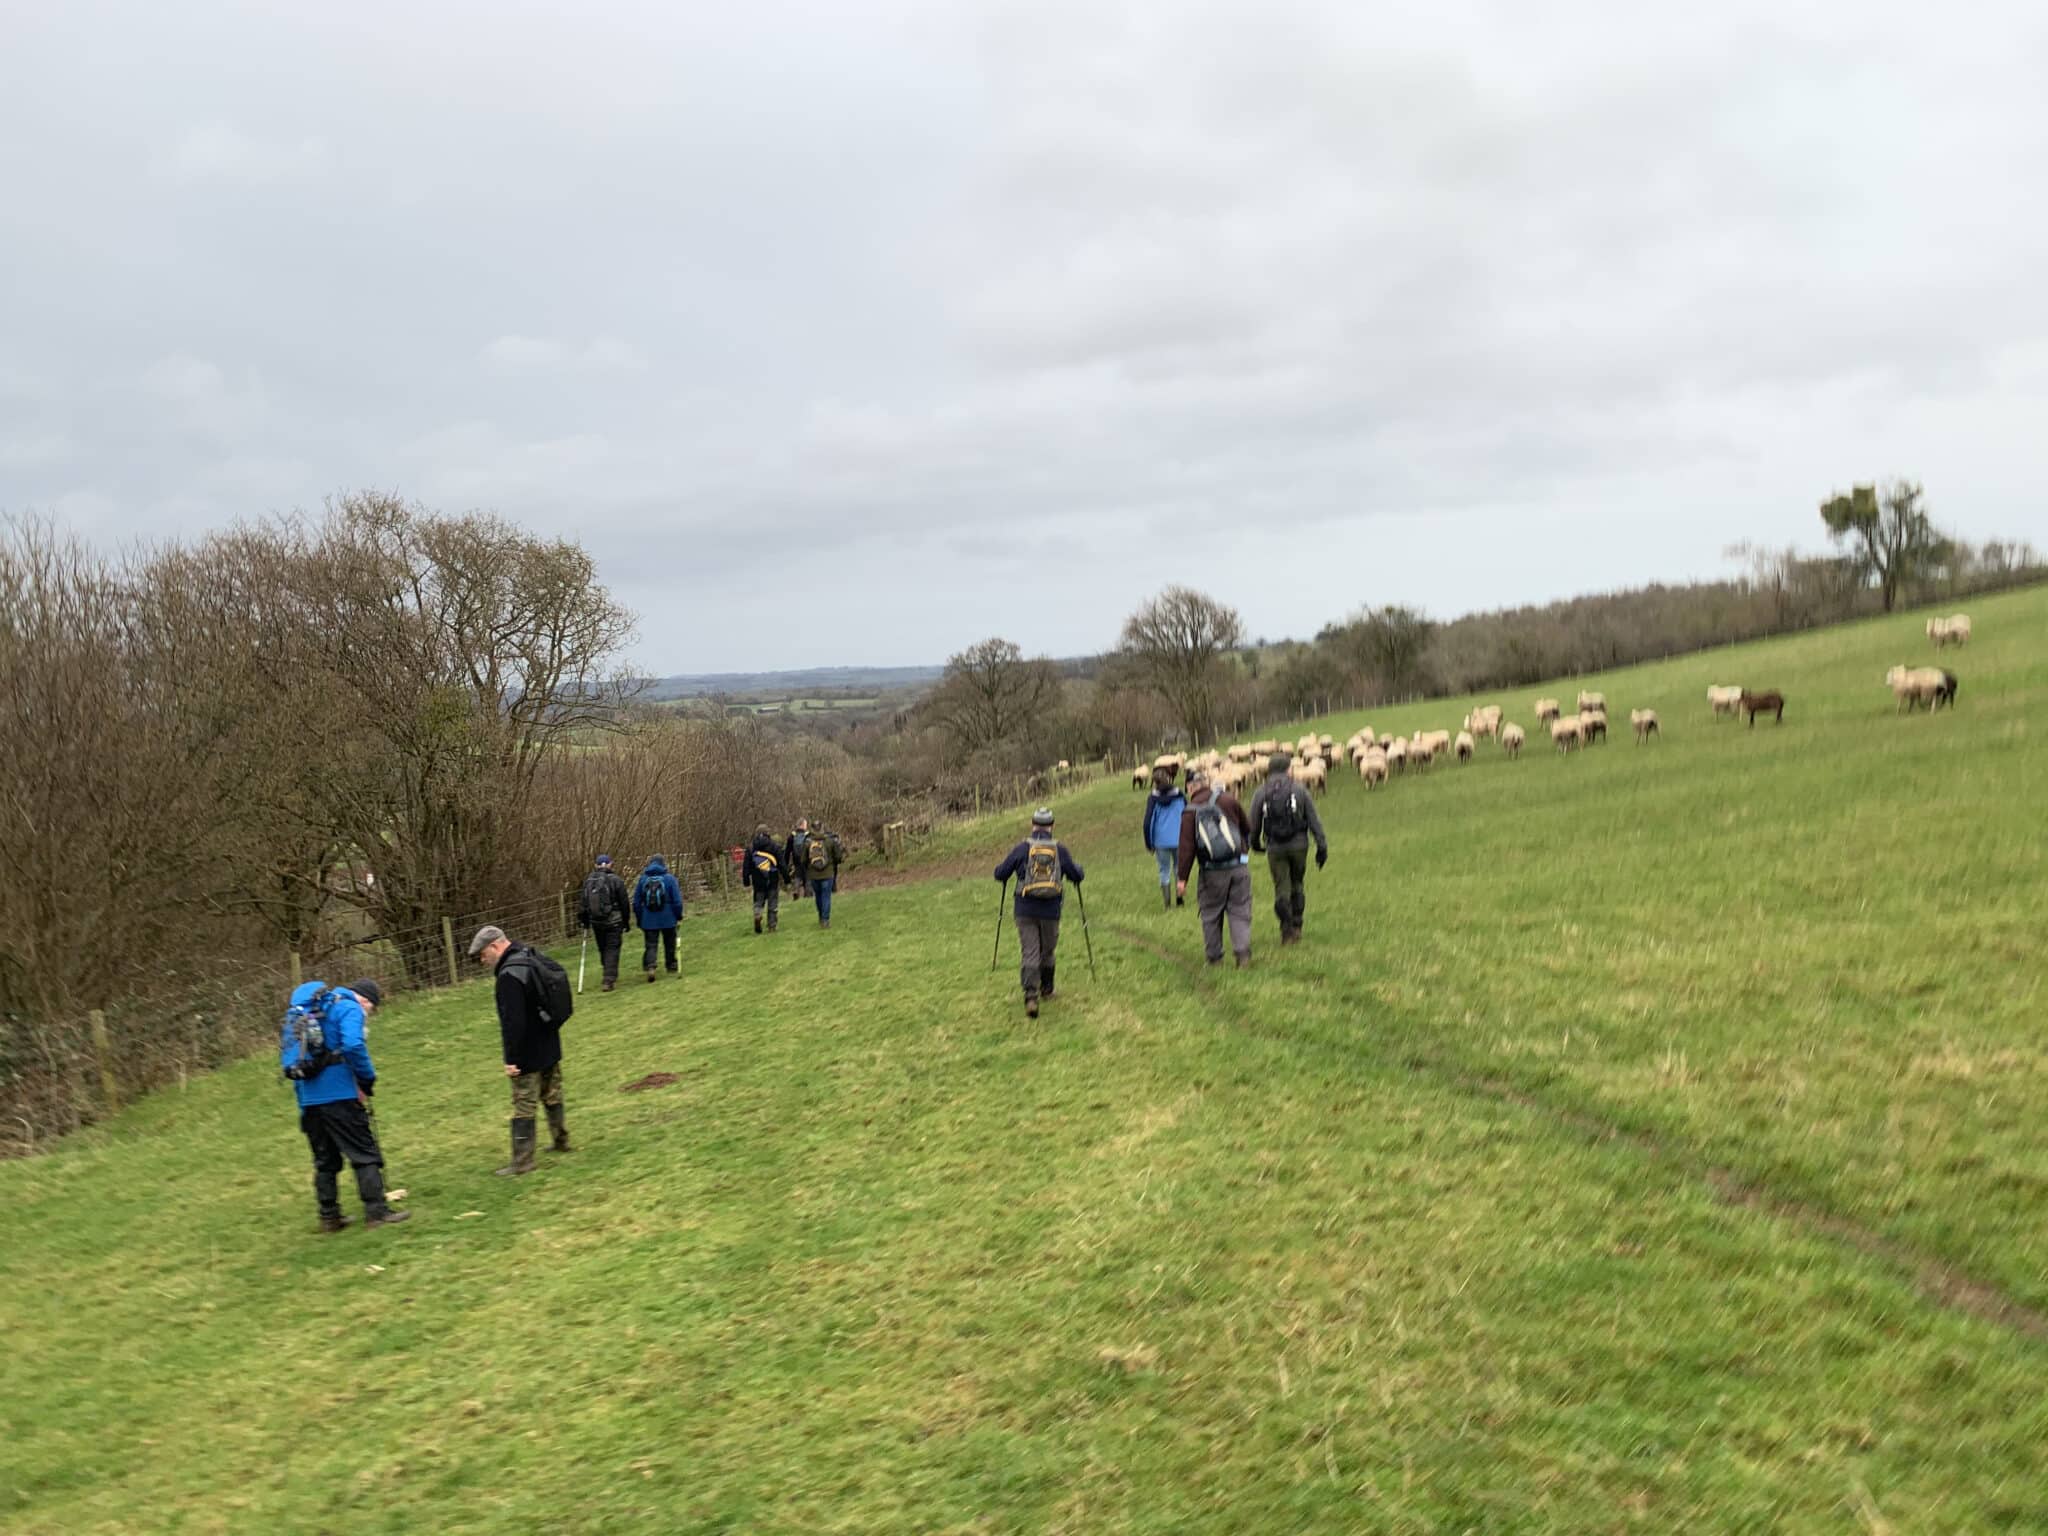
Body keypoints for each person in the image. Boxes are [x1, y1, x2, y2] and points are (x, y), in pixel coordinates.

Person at [280, 978, 410, 1231]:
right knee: (364, 1152)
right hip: (340, 1096)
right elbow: (353, 1045)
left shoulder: (308, 1011)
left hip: (309, 1100)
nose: (367, 1014)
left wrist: (303, 1104)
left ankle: (329, 1218)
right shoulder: (348, 1008)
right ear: (365, 1000)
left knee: (325, 1160)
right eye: (370, 1009)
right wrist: (367, 1078)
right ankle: (377, 1213)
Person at [468, 925, 570, 1176]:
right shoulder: (531, 955)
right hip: (549, 1041)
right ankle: (561, 1140)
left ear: (494, 946)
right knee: (552, 1094)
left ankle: (522, 1162)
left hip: (527, 1051)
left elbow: (513, 1022)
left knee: (524, 1105)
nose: (483, 961)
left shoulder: (508, 976)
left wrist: (512, 1060)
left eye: (483, 954)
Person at [992, 807, 1084, 1018]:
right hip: (1051, 909)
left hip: (1025, 908)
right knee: (1048, 950)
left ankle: (1031, 996)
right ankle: (1047, 988)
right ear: (1051, 826)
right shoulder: (1059, 849)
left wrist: (1004, 871)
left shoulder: (1022, 848)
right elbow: (1075, 874)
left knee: (1030, 950)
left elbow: (1001, 873)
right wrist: (1080, 872)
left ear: (1033, 825)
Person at [1246, 752, 1328, 946]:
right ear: (1288, 769)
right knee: (1297, 883)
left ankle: (1286, 929)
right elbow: (1313, 819)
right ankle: (1297, 924)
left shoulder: (1261, 792)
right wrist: (1321, 845)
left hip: (1275, 847)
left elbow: (1253, 823)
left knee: (1281, 886)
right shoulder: (1299, 790)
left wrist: (1255, 843)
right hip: (1299, 844)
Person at [1175, 769, 1255, 968]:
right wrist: (1243, 854)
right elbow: (1247, 828)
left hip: (1211, 872)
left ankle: (1215, 958)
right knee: (1239, 910)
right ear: (1207, 783)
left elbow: (1186, 848)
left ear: (1189, 787)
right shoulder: (1228, 801)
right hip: (1238, 867)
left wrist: (1182, 879)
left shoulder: (1190, 812)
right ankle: (1242, 954)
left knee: (1211, 913)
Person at [577, 854, 632, 992]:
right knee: (612, 948)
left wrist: (584, 921)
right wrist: (626, 921)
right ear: (610, 864)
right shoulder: (616, 880)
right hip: (614, 920)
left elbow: (583, 903)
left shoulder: (589, 881)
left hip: (596, 922)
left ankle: (608, 970)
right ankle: (609, 978)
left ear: (596, 865)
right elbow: (624, 903)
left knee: (603, 948)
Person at [1141, 766, 1188, 912]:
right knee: (1179, 869)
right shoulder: (1179, 794)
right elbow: (1187, 813)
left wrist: (1149, 843)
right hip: (1179, 838)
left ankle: (1167, 905)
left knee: (1164, 870)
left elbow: (1148, 822)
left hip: (1161, 841)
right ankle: (1180, 899)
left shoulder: (1153, 798)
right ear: (1168, 778)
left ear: (1154, 781)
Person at [632, 856, 683, 982]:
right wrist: (678, 915)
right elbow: (677, 901)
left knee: (651, 944)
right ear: (663, 864)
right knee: (669, 942)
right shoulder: (670, 879)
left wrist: (640, 918)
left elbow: (636, 903)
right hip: (668, 917)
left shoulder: (643, 879)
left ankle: (650, 966)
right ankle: (671, 964)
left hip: (649, 918)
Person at [797, 819, 844, 928]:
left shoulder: (808, 842)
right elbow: (838, 856)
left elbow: (803, 860)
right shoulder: (829, 841)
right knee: (826, 896)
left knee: (818, 896)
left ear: (812, 829)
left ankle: (820, 915)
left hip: (813, 874)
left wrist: (807, 869)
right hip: (828, 874)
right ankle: (825, 920)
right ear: (822, 828)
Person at [743, 823, 787, 934]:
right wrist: (787, 878)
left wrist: (746, 880)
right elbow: (781, 864)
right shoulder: (774, 846)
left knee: (758, 901)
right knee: (773, 902)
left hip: (757, 880)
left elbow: (746, 866)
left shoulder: (751, 847)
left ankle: (757, 914)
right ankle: (772, 926)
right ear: (768, 833)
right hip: (772, 878)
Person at [785, 818, 813, 902]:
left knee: (797, 876)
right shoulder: (809, 835)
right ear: (802, 825)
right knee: (808, 878)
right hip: (807, 861)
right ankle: (808, 894)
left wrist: (785, 863)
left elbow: (787, 851)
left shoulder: (792, 836)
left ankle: (796, 890)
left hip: (796, 861)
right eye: (805, 824)